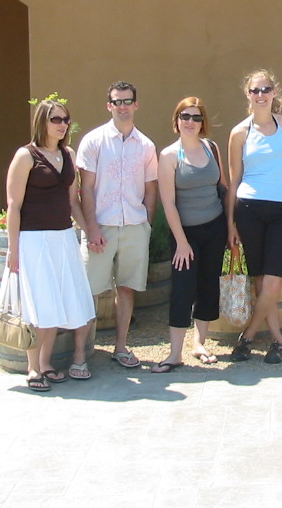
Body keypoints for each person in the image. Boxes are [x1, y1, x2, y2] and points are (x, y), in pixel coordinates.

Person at [3, 98, 95, 392]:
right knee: (39, 304)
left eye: (66, 119)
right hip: (34, 239)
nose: (62, 125)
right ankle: (32, 368)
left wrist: (88, 230)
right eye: (56, 119)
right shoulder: (26, 156)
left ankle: (46, 364)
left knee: (55, 301)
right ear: (42, 121)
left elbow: (72, 200)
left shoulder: (68, 154)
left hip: (63, 237)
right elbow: (14, 205)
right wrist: (13, 249)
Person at [76, 81, 158, 370]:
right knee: (89, 292)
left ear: (136, 104)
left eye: (127, 101)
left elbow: (151, 189)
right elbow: (85, 189)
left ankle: (121, 347)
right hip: (102, 226)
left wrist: (147, 224)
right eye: (117, 101)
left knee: (126, 288)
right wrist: (92, 228)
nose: (122, 106)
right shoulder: (93, 141)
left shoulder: (146, 145)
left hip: (135, 226)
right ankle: (80, 355)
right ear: (109, 105)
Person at [226, 70, 282, 364]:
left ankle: (249, 335)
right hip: (250, 209)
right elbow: (234, 180)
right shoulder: (239, 133)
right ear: (248, 94)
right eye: (255, 90)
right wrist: (230, 223)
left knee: (274, 280)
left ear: (274, 92)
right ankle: (278, 341)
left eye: (265, 89)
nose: (260, 95)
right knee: (260, 278)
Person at [153, 97, 228, 373]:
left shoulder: (212, 148)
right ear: (177, 120)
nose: (190, 122)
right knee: (183, 289)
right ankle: (175, 353)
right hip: (185, 233)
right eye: (185, 116)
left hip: (215, 227)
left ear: (202, 122)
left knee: (209, 286)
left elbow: (223, 186)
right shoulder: (169, 156)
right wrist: (182, 243)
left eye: (196, 117)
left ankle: (200, 343)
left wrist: (231, 227)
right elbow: (168, 203)